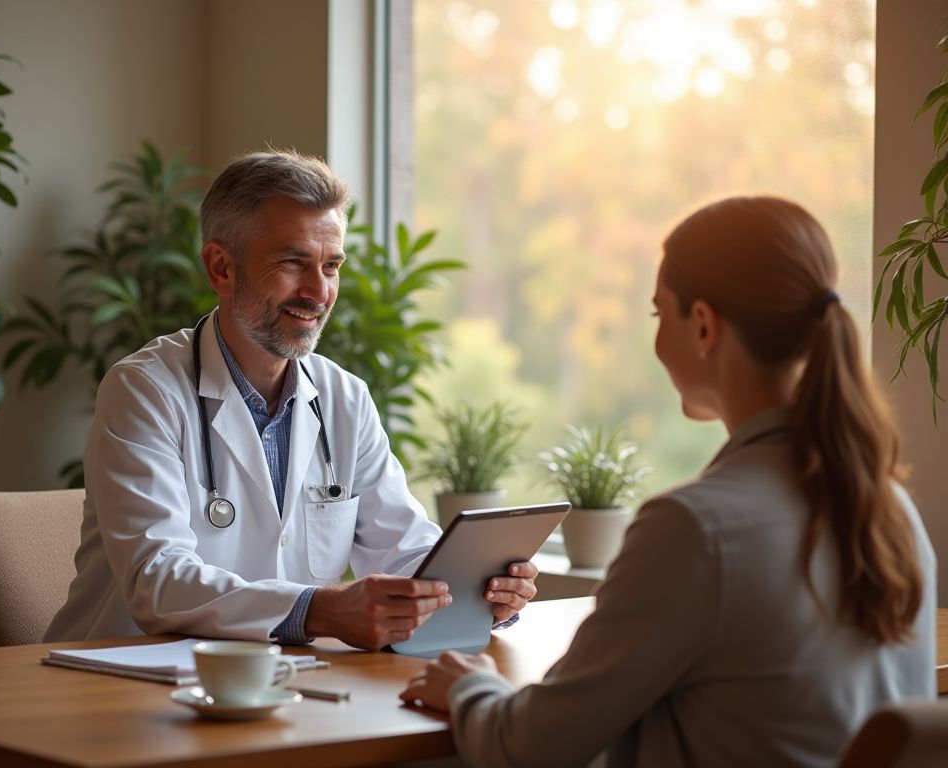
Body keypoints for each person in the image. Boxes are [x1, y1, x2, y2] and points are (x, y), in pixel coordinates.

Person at [399, 196, 936, 767]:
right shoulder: (891, 511)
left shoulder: (695, 529)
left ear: (703, 324)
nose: (656, 341)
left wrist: (469, 686)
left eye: (660, 314)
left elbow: (530, 747)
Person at [45, 149, 537, 650]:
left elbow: (405, 550)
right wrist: (318, 609)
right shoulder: (145, 390)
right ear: (221, 267)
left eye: (331, 265)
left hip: (281, 686)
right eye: (293, 262)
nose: (319, 292)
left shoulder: (344, 398)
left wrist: (482, 590)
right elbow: (158, 582)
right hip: (127, 689)